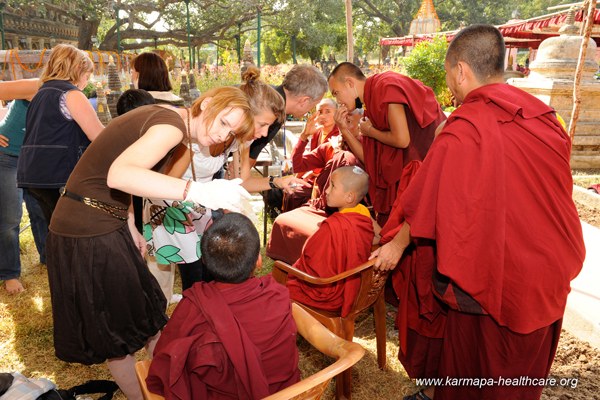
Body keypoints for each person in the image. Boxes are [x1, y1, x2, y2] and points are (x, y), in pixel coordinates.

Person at [373, 25, 586, 400]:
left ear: (460, 71)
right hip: (551, 270)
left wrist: (394, 247)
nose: (450, 92)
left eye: (449, 79)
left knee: (474, 374)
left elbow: (426, 205)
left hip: (496, 282)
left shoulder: (462, 129)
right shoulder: (544, 119)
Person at [46, 86, 255, 400]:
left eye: (232, 132)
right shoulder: (170, 127)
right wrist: (196, 191)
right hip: (87, 229)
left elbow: (123, 174)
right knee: (119, 336)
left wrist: (130, 222)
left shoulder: (170, 123)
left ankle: (169, 384)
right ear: (208, 104)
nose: (223, 135)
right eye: (224, 122)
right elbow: (120, 174)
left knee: (146, 316)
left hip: (103, 220)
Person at [144, 67, 307, 292]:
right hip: (172, 211)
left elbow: (242, 182)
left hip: (200, 209)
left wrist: (277, 182)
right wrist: (205, 192)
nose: (263, 133)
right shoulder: (199, 137)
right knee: (189, 281)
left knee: (209, 277)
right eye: (262, 124)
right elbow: (163, 187)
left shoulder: (237, 140)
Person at [147, 213, 301, 399]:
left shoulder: (193, 305)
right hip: (284, 393)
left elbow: (166, 357)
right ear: (258, 261)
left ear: (204, 261)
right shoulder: (277, 295)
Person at [328, 62, 446, 225]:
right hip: (410, 175)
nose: (338, 101)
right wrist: (344, 129)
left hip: (430, 168)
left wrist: (371, 132)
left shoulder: (385, 86)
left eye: (336, 93)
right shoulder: (370, 107)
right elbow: (370, 160)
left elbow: (402, 139)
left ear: (350, 83)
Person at [17, 44, 105, 225]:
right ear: (77, 69)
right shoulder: (71, 94)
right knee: (73, 233)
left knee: (53, 233)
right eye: (87, 76)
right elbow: (98, 136)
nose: (86, 82)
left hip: (33, 174)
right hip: (59, 173)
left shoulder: (40, 93)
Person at [286, 166, 374, 316]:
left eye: (332, 186)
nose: (326, 190)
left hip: (328, 293)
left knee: (281, 281)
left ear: (349, 197)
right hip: (354, 285)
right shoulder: (363, 213)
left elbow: (312, 260)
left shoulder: (334, 226)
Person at [0, 79, 48, 294]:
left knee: (41, 210)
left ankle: (49, 260)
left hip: (36, 158)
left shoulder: (71, 94)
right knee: (10, 217)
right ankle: (9, 273)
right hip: (8, 157)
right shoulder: (36, 85)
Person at [248, 64, 328, 163]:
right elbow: (246, 162)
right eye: (314, 104)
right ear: (304, 101)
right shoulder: (273, 112)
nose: (312, 110)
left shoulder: (270, 95)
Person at [283, 98, 340, 212]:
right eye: (320, 112)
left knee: (294, 194)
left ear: (337, 113)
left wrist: (313, 173)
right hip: (310, 177)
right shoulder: (317, 132)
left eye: (328, 111)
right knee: (288, 186)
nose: (323, 116)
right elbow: (296, 163)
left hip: (326, 183)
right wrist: (304, 136)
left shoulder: (339, 136)